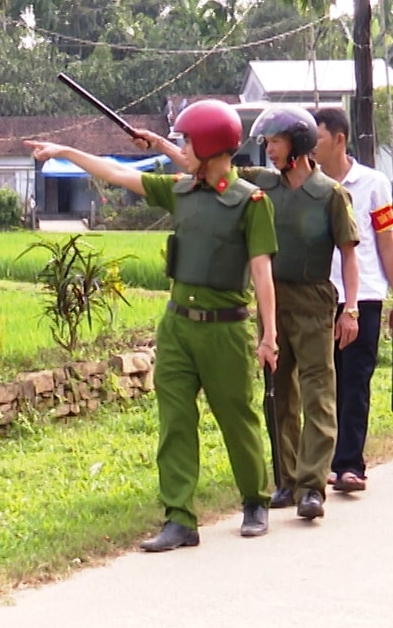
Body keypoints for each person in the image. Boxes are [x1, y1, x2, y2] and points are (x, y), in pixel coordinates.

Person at [26, 98, 279, 550]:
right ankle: (179, 517)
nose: (183, 148)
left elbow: (262, 271)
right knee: (174, 421)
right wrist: (65, 151)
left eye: (187, 141)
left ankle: (255, 501)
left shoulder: (250, 202)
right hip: (178, 327)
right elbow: (117, 172)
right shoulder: (179, 191)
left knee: (238, 418)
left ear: (207, 144)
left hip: (227, 328)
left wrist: (269, 336)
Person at [147, 105, 358, 522]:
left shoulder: (330, 194)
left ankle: (312, 485)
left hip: (315, 301)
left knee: (319, 391)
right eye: (267, 142)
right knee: (278, 395)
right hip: (273, 300)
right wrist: (160, 145)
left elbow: (350, 255)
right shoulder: (263, 185)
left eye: (276, 142)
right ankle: (286, 478)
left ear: (296, 146)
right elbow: (210, 170)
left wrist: (350, 308)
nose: (269, 150)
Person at [312, 107, 393, 494]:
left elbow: (386, 243)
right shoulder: (308, 183)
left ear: (339, 139)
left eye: (316, 138)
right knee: (322, 382)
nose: (311, 147)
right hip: (318, 293)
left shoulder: (373, 183)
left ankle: (350, 464)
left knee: (355, 380)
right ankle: (322, 461)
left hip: (364, 294)